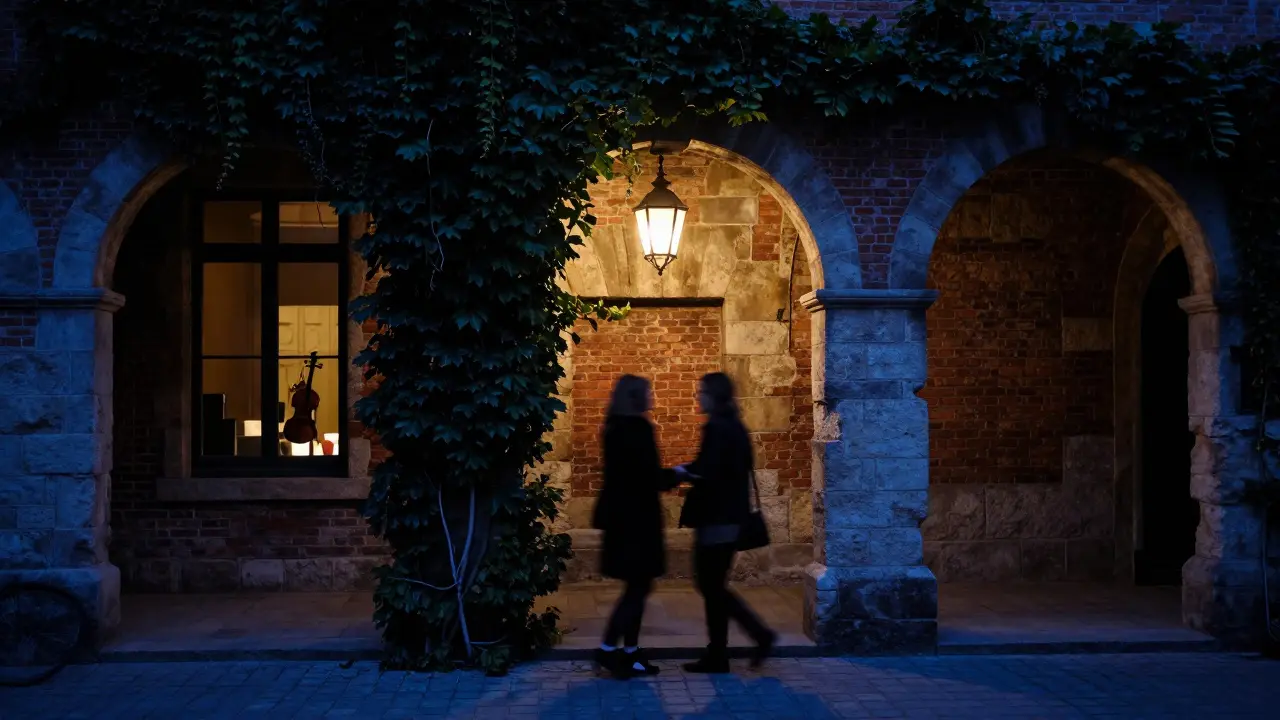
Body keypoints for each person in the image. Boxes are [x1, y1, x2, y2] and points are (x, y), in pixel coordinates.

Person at [675, 372, 777, 674]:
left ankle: (741, 644)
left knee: (710, 585)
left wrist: (682, 472)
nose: (698, 396)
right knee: (713, 586)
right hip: (730, 518)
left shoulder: (718, 427)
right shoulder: (734, 426)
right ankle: (725, 650)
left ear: (715, 395)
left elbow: (710, 471)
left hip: (717, 520)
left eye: (702, 391)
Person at [591, 374, 677, 679]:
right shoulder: (638, 428)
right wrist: (678, 474)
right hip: (638, 521)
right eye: (647, 392)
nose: (651, 397)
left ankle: (629, 652)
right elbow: (649, 476)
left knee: (636, 587)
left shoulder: (612, 427)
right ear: (635, 397)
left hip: (620, 520)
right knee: (638, 589)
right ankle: (608, 649)